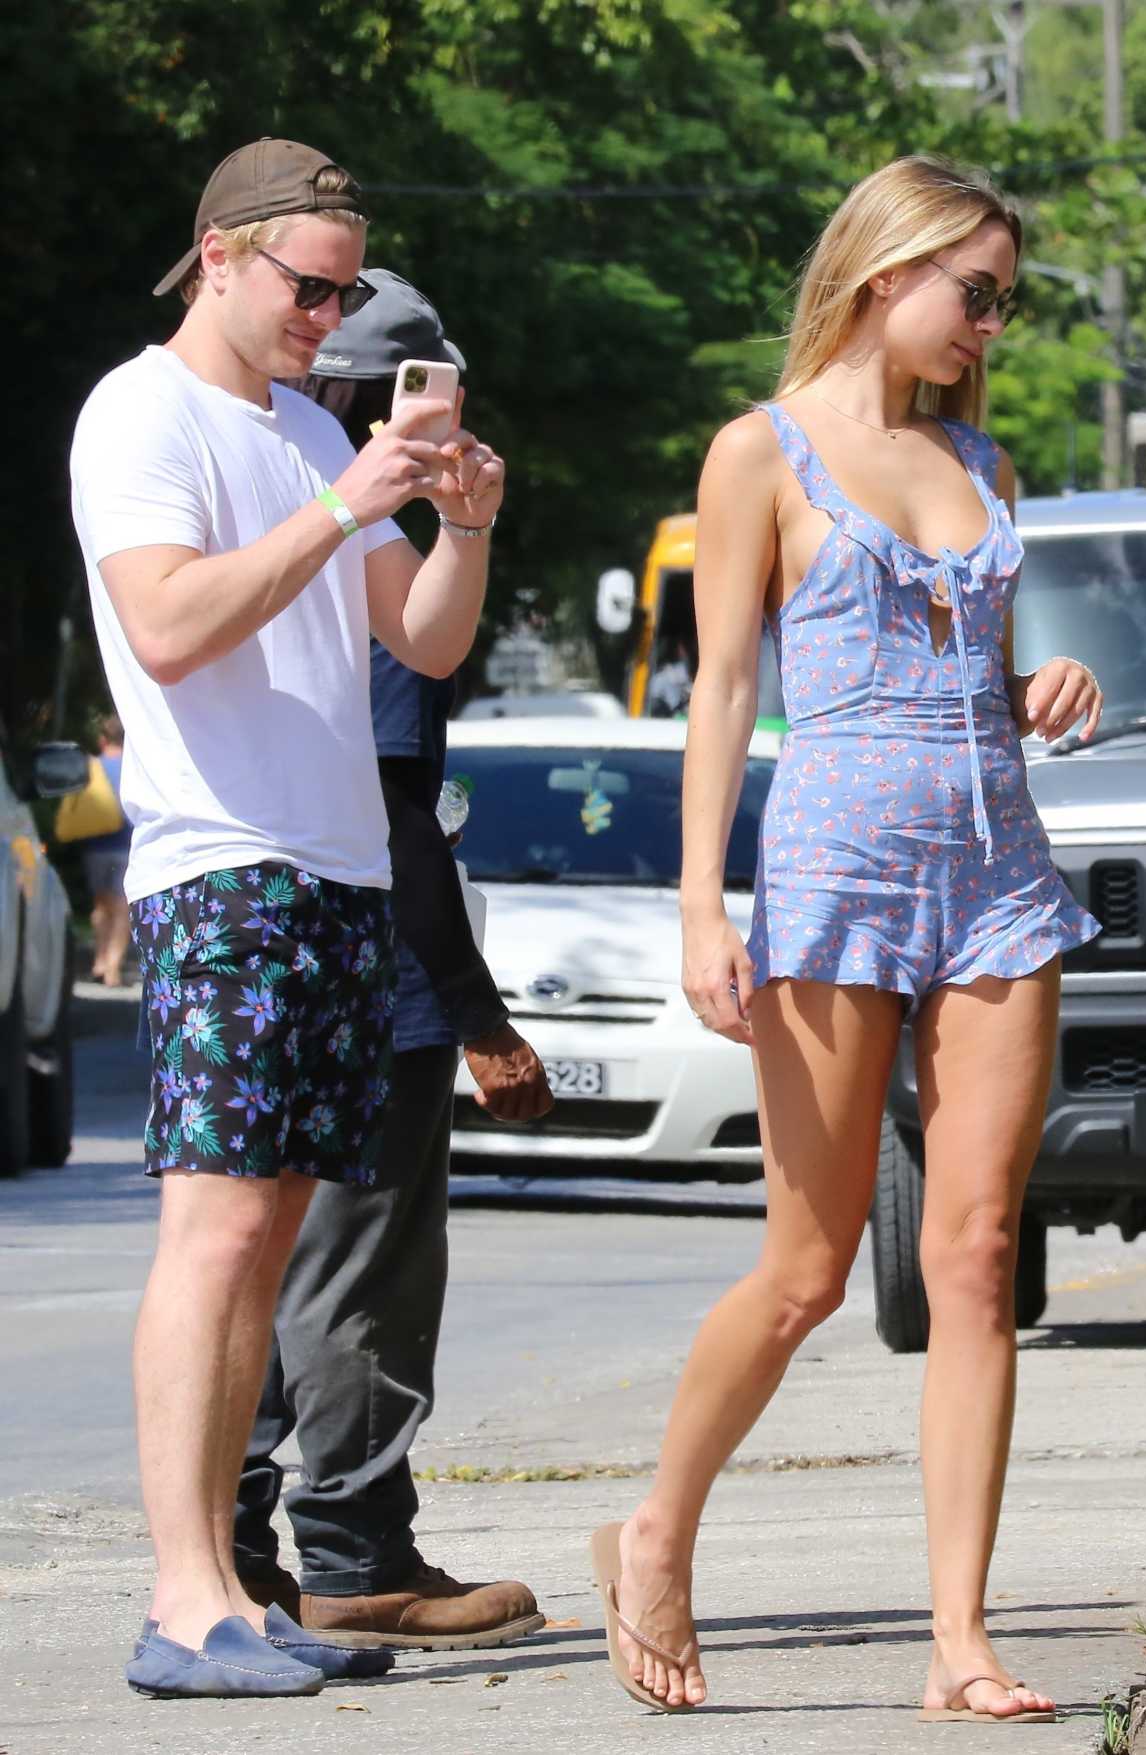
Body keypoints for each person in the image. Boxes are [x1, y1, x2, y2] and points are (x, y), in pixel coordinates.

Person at [590, 154, 1103, 1722]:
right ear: (890, 268)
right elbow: (726, 694)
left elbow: (976, 671)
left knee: (973, 1254)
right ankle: (657, 1530)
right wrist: (700, 904)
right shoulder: (760, 452)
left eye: (1002, 298)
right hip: (833, 873)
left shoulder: (983, 459)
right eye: (977, 289)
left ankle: (958, 1638)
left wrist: (1033, 692)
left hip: (995, 874)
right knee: (808, 1268)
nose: (988, 322)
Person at [69, 137, 504, 1699]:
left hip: (335, 872)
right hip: (228, 866)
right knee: (217, 1225)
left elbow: (427, 642)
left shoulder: (305, 429)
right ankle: (189, 1595)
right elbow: (172, 626)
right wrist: (344, 502)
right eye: (311, 285)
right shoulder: (144, 410)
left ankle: (236, 1594)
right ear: (221, 255)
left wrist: (459, 519)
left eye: (349, 289)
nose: (331, 314)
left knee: (268, 1244)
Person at [233, 270, 553, 1649]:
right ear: (366, 403)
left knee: (259, 1268)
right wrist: (482, 1020)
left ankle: (240, 1549)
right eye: (423, 393)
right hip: (374, 977)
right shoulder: (368, 563)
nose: (444, 420)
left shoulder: (276, 516)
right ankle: (356, 1548)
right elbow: (401, 816)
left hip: (281, 953)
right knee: (359, 1279)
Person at [80, 715, 133, 986]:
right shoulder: (135, 766)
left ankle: (99, 959)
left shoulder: (92, 767)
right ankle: (113, 966)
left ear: (102, 739)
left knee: (101, 905)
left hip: (96, 846)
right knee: (122, 908)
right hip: (126, 845)